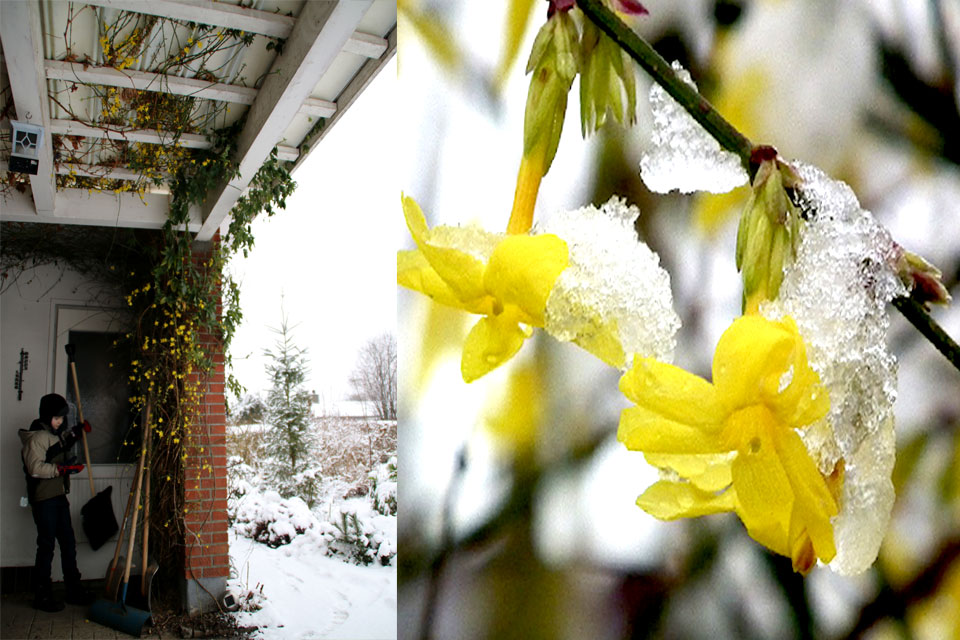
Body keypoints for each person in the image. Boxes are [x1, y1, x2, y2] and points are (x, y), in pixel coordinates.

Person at [18, 393, 94, 612]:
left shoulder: (54, 435)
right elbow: (34, 468)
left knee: (68, 544)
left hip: (58, 497)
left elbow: (61, 444)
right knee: (47, 546)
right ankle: (42, 595)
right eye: (56, 418)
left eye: (62, 418)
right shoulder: (37, 438)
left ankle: (73, 589)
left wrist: (77, 433)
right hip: (44, 500)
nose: (60, 422)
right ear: (46, 415)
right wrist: (60, 470)